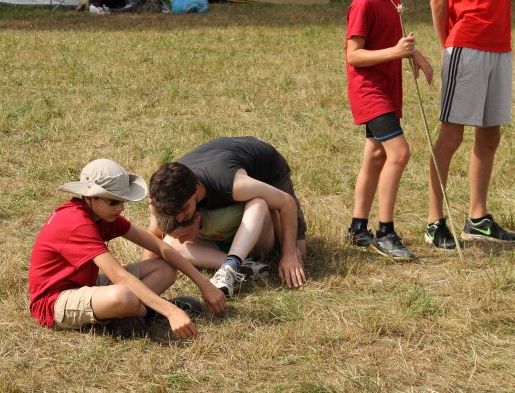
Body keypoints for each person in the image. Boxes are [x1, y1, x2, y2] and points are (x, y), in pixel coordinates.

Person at [28, 159, 226, 339]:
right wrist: (170, 311)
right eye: (113, 201)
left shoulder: (102, 215)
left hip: (85, 284)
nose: (120, 208)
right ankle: (149, 312)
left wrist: (204, 284)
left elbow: (159, 246)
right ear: (89, 197)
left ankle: (129, 316)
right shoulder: (77, 223)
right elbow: (119, 276)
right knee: (124, 295)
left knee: (164, 268)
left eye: (123, 200)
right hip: (54, 302)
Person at [145, 136, 307, 297]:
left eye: (184, 209)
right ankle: (236, 264)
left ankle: (234, 262)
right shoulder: (164, 197)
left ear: (195, 191)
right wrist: (146, 277)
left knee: (298, 252)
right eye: (175, 212)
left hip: (268, 172)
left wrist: (289, 255)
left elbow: (286, 203)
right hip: (217, 158)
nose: (179, 218)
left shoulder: (233, 183)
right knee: (169, 243)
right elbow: (154, 235)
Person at [345, 0, 432, 261]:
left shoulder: (393, 3)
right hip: (371, 92)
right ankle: (385, 233)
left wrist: (411, 52)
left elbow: (390, 41)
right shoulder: (364, 3)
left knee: (375, 156)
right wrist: (396, 52)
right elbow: (354, 55)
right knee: (399, 153)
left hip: (387, 90)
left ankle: (357, 228)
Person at [426, 0, 515, 248]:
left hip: (500, 47)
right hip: (466, 45)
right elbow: (437, 3)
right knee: (451, 137)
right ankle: (434, 222)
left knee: (490, 137)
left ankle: (477, 219)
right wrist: (447, 44)